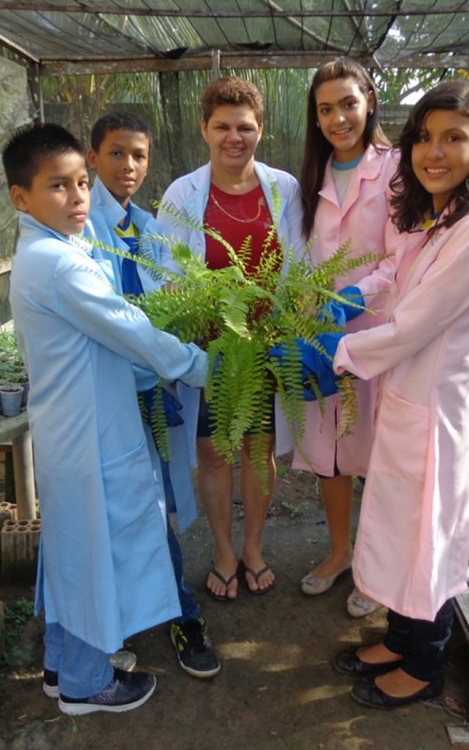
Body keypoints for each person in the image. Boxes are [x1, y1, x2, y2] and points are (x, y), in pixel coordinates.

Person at [285, 81, 469, 707]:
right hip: (405, 395)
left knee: (428, 538)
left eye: (454, 139)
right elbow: (395, 271)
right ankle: (399, 636)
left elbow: (415, 323)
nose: (434, 152)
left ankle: (426, 666)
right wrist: (353, 294)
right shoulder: (440, 217)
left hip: (435, 409)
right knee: (397, 526)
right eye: (425, 138)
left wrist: (334, 354)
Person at [4, 123, 209, 715]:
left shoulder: (53, 251)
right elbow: (131, 329)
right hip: (88, 434)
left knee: (75, 550)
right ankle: (86, 683)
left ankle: (61, 665)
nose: (76, 198)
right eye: (57, 187)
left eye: (79, 185)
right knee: (92, 553)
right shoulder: (59, 265)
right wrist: (201, 365)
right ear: (22, 198)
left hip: (75, 426)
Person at [156, 76, 304, 600]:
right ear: (204, 129)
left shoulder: (283, 189)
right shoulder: (182, 195)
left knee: (258, 449)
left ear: (260, 129)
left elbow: (303, 265)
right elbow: (164, 273)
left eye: (245, 127)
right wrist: (193, 318)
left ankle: (254, 547)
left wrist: (288, 325)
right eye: (222, 126)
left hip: (264, 348)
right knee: (215, 452)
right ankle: (223, 549)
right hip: (209, 352)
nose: (233, 137)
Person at [86, 111, 220, 678]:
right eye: (116, 153)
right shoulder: (81, 226)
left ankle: (181, 614)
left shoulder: (149, 225)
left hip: (152, 389)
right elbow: (113, 318)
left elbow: (173, 299)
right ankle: (108, 623)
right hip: (107, 394)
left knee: (160, 507)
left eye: (138, 155)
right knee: (111, 513)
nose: (129, 166)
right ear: (93, 158)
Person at [293, 58, 398, 619]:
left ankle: (376, 570)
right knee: (331, 451)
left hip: (378, 333)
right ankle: (339, 552)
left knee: (377, 453)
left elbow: (403, 257)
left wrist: (358, 295)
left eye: (348, 104)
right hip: (319, 337)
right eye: (326, 109)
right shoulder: (311, 177)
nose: (338, 118)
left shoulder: (398, 170)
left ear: (370, 101)